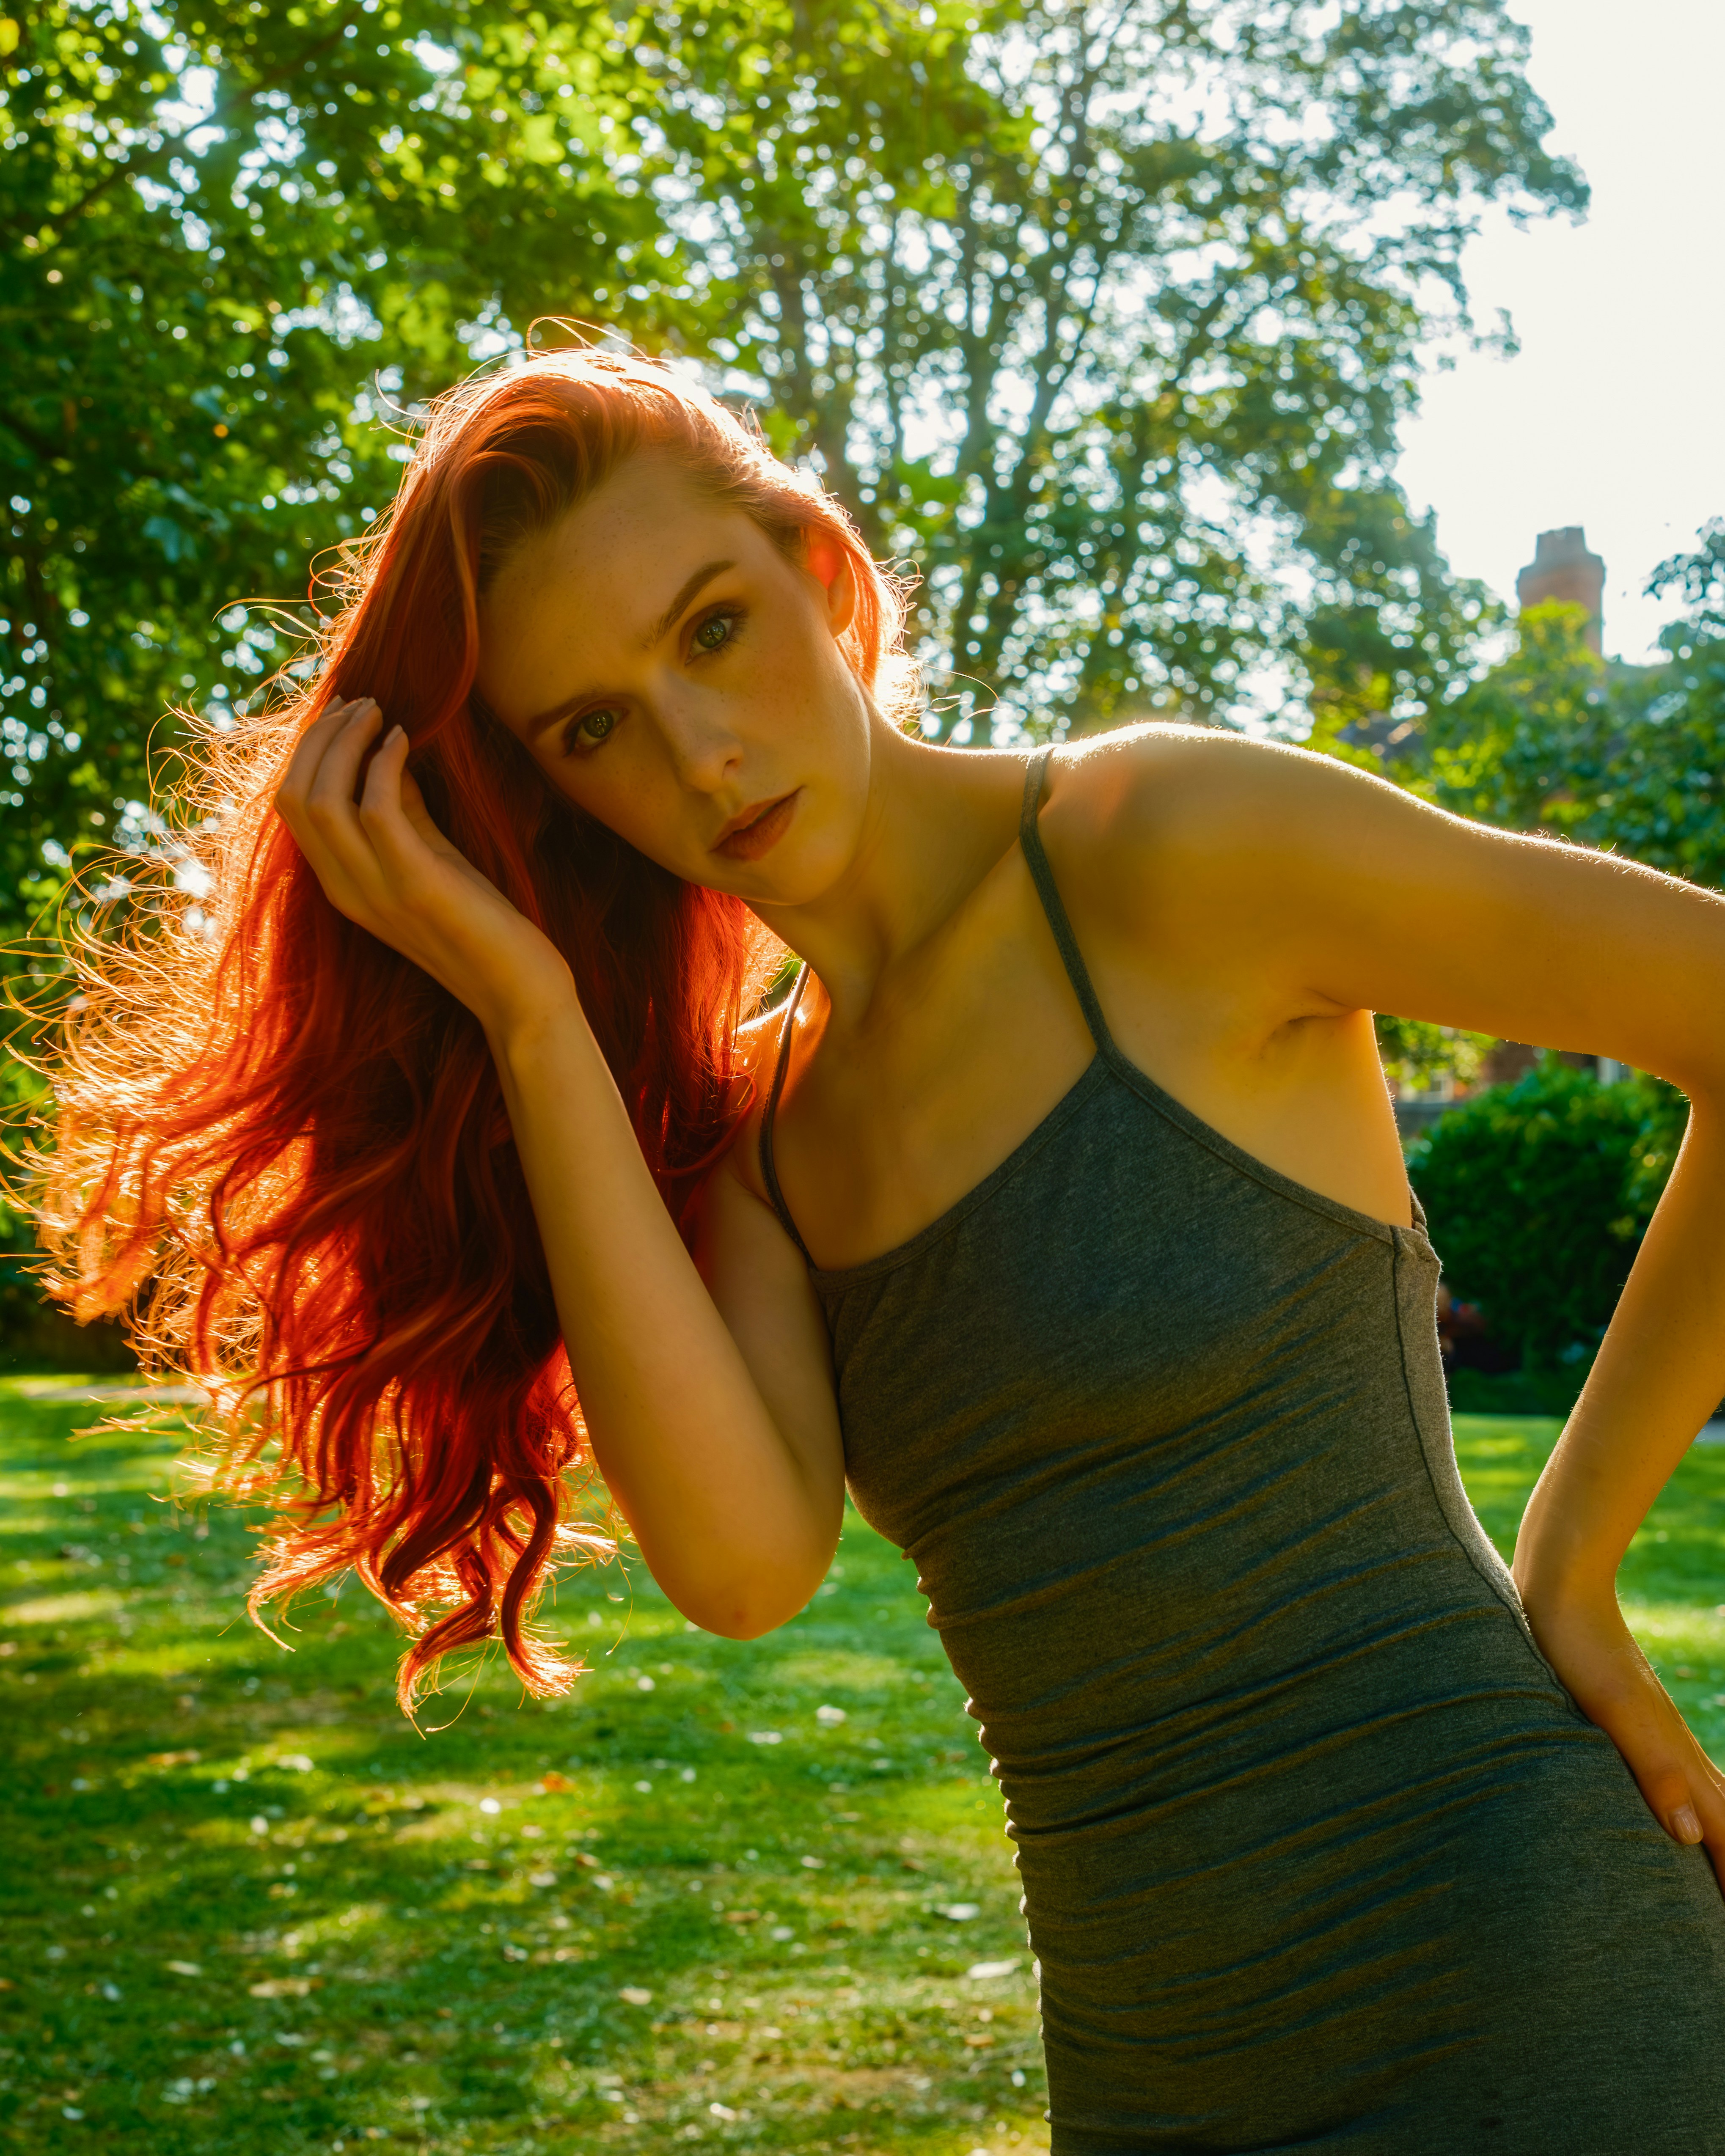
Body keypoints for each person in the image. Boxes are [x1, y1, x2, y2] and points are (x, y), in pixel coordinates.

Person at [37, 346, 1725, 2150]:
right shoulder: (755, 1151)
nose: (700, 750)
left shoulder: (1162, 846)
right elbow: (746, 1567)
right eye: (591, 726)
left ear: (817, 568)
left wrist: (1570, 1558)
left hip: (1530, 1964)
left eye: (711, 628)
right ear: (552, 795)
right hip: (1156, 2054)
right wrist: (531, 1014)